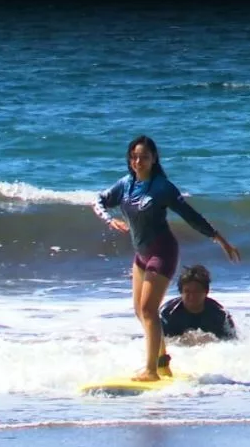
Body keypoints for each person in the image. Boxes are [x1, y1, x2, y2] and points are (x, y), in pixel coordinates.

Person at [93, 134, 240, 382]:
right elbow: (99, 200)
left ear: (154, 159)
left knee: (149, 309)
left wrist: (219, 239)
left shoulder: (163, 187)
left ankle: (150, 370)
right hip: (141, 255)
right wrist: (110, 220)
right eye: (135, 157)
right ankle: (162, 364)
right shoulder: (125, 185)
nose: (139, 161)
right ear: (130, 160)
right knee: (140, 311)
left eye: (144, 157)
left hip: (163, 253)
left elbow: (190, 215)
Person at [160, 264, 237, 342]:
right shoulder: (167, 313)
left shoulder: (220, 315)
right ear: (181, 292)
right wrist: (180, 340)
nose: (192, 296)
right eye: (187, 291)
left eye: (196, 291)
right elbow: (155, 341)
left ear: (206, 292)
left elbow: (232, 343)